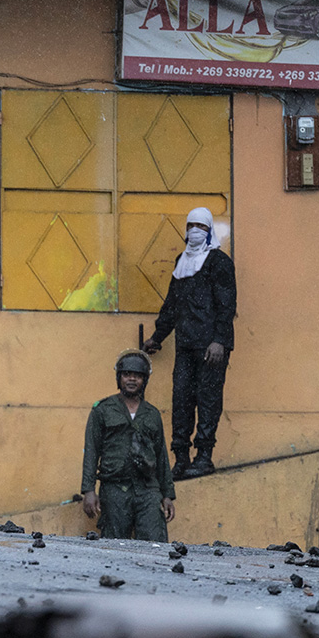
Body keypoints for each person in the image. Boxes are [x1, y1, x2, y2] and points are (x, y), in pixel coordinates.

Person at [143, 207, 236, 480]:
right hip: (185, 344)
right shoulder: (181, 261)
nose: (195, 230)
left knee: (207, 400)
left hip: (211, 347)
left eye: (201, 226)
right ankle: (181, 459)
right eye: (191, 225)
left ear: (209, 231)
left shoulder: (219, 261)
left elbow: (227, 304)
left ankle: (204, 457)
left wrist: (219, 340)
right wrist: (158, 337)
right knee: (181, 400)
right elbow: (172, 305)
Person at [80, 350, 176, 542]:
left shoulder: (152, 414)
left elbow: (161, 455)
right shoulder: (103, 410)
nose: (132, 379)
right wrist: (88, 490)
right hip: (115, 488)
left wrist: (168, 495)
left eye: (138, 376)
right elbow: (92, 450)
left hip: (148, 489)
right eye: (126, 375)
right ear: (119, 377)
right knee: (115, 546)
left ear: (145, 380)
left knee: (154, 543)